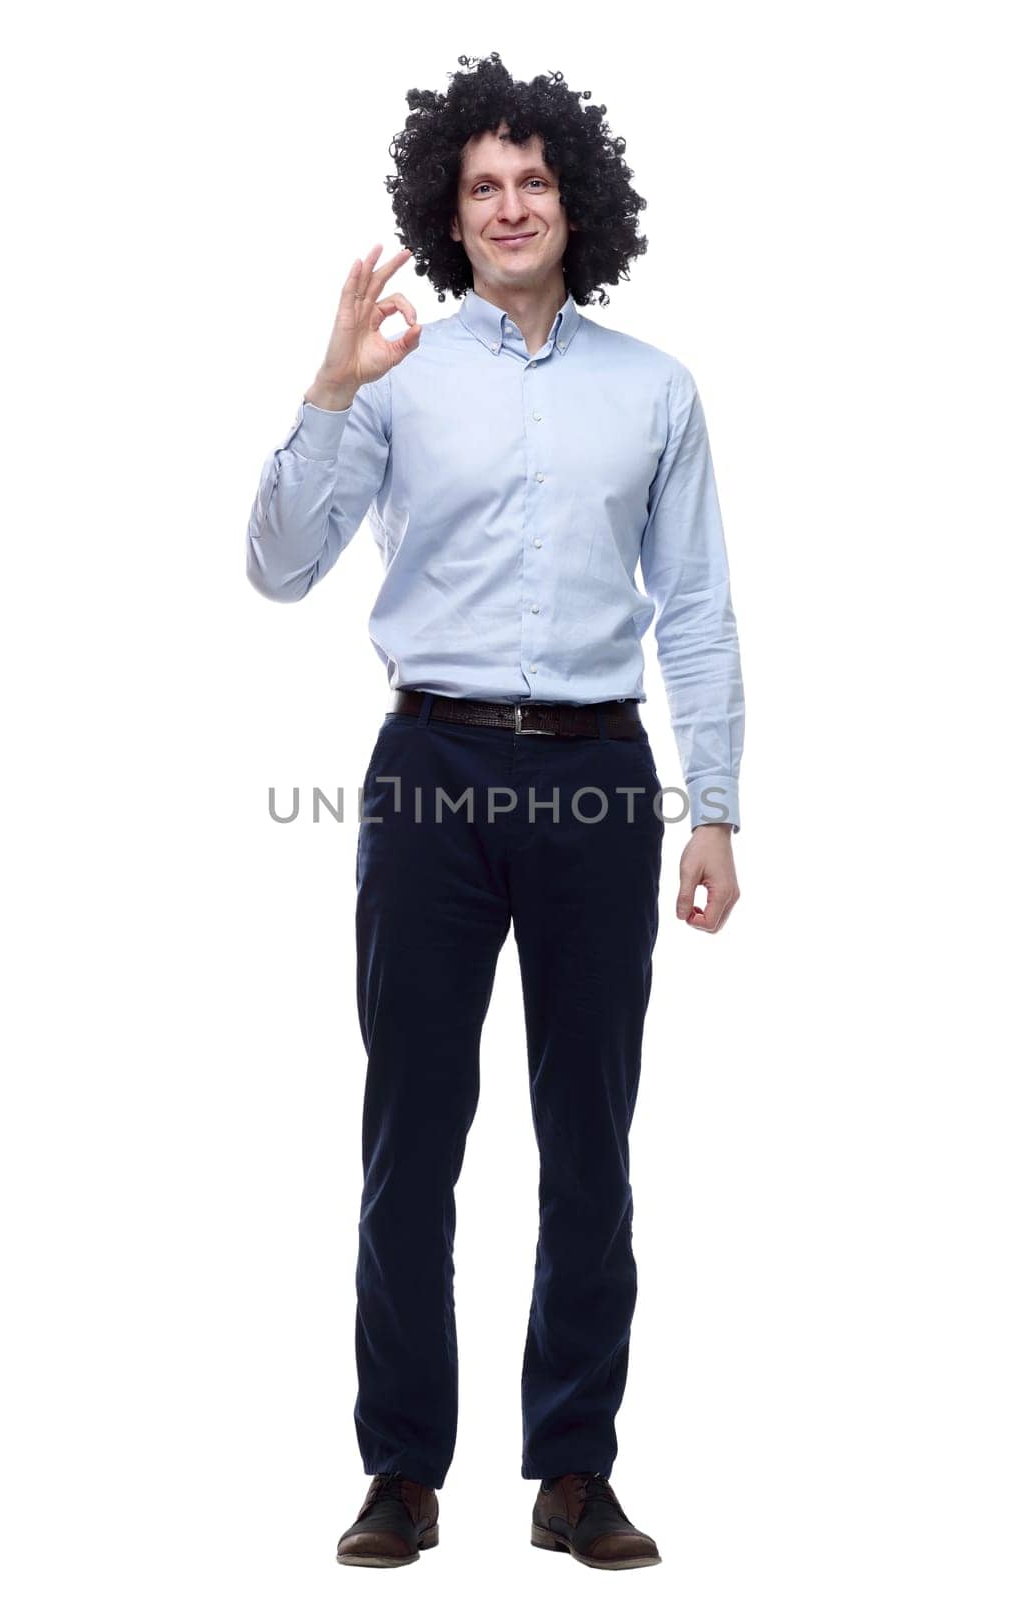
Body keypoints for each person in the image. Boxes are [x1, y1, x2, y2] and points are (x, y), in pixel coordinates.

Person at [246, 52, 745, 1571]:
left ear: (572, 200)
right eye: (483, 186)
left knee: (589, 1139)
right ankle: (402, 1469)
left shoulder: (654, 390)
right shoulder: (397, 375)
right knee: (414, 1135)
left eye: (533, 181)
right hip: (429, 774)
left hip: (601, 778)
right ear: (448, 213)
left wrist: (714, 806)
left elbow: (700, 611)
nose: (511, 205)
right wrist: (332, 385)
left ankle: (574, 1471)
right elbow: (277, 566)